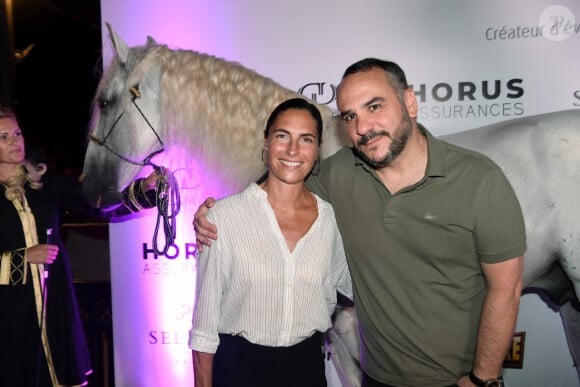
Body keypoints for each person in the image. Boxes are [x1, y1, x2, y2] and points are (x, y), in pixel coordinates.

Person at [193, 59, 526, 387]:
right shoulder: (340, 173)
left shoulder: (479, 178)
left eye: (374, 106)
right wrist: (218, 212)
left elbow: (506, 288)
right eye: (350, 116)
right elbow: (283, 183)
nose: (363, 127)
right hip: (377, 378)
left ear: (409, 102)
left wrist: (483, 379)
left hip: (455, 379)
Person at [188, 98, 352, 387]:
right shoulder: (223, 217)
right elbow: (204, 327)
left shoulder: (331, 221)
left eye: (306, 139)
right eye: (281, 136)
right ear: (266, 142)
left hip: (308, 370)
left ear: (317, 149)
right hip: (239, 371)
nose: (292, 150)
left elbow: (362, 290)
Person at [0, 106, 163, 386]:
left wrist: (142, 188)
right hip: (11, 321)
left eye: (17, 133)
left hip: (55, 312)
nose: (15, 141)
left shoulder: (43, 183)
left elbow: (96, 202)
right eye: (3, 137)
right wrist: (22, 258)